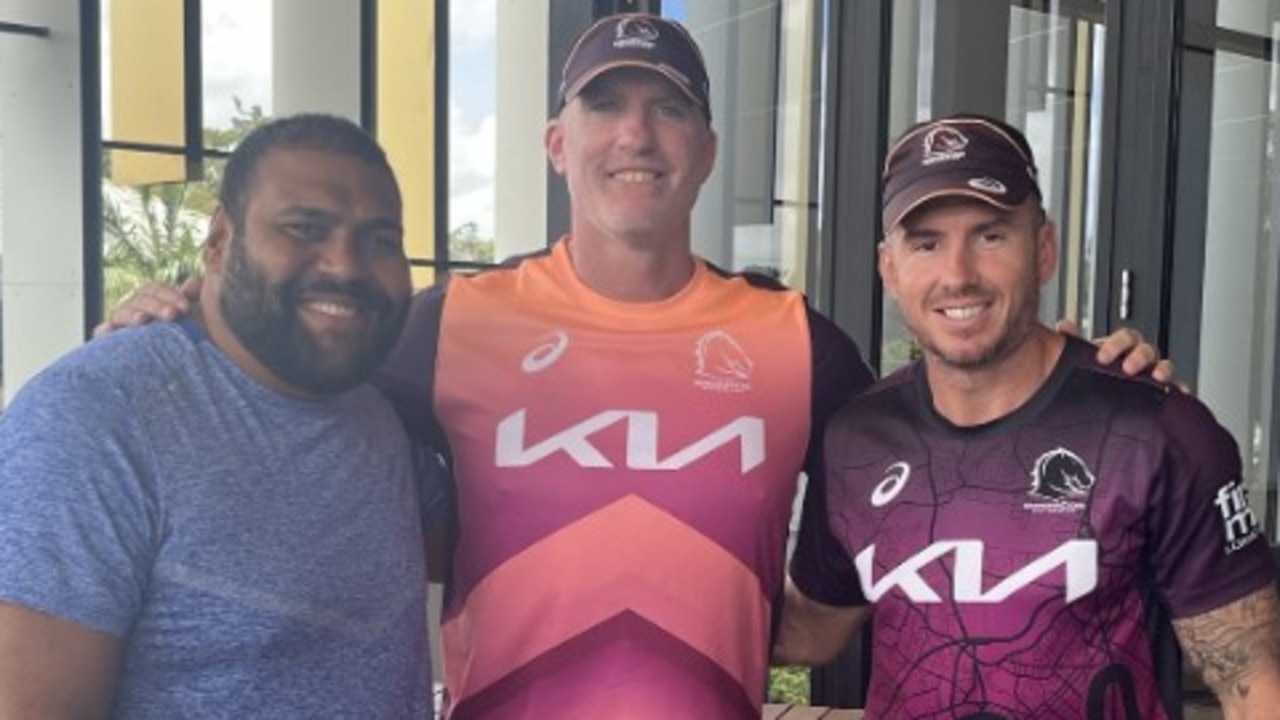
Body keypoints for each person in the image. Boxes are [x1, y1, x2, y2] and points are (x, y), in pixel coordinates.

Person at [96, 16, 1170, 720]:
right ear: (557, 143)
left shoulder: (794, 341)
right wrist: (183, 318)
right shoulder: (450, 321)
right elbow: (293, 373)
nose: (636, 134)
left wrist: (1087, 379)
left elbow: (953, 428)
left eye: (667, 108)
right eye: (605, 104)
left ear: (703, 147)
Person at [777, 113, 1280, 718]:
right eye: (927, 243)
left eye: (990, 235)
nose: (958, 275)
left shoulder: (1153, 431)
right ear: (890, 268)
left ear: (1043, 249)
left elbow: (1254, 680)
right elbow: (808, 631)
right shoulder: (858, 440)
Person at [0, 114, 437, 718]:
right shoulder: (93, 420)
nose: (347, 264)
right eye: (305, 228)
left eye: (380, 240)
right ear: (219, 241)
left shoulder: (378, 415)